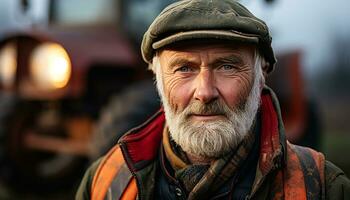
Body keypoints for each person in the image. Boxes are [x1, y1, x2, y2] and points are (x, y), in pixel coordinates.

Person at [76, 0, 350, 199]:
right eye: (184, 68)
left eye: (227, 66)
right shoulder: (106, 182)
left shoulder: (323, 187)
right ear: (157, 79)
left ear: (261, 76)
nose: (205, 92)